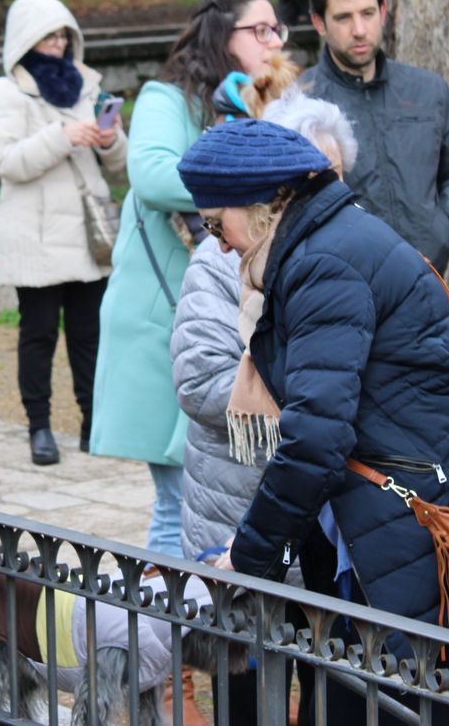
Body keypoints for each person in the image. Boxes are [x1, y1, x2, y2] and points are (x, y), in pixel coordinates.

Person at [175, 120, 449, 726]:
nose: (218, 243)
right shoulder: (327, 240)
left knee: (392, 699)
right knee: (377, 694)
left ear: (267, 204)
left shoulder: (322, 264)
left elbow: (316, 436)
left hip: (401, 515)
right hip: (390, 508)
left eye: (218, 224)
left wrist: (249, 558)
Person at [88, 0, 287, 559]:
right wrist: (244, 184)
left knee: (210, 507)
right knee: (180, 501)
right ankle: (168, 641)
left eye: (278, 30)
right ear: (222, 37)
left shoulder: (266, 103)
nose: (274, 41)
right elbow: (150, 175)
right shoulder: (166, 98)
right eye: (261, 30)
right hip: (168, 320)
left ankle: (186, 637)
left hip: (232, 324)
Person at [170, 91, 350, 726]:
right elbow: (198, 378)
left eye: (331, 177)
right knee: (247, 683)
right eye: (300, 181)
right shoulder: (218, 264)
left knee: (330, 675)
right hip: (237, 508)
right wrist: (302, 406)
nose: (315, 196)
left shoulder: (343, 257)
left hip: (328, 517)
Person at [0, 0, 127, 466]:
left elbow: (121, 165)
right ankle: (38, 427)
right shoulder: (2, 94)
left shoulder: (89, 87)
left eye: (64, 34)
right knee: (37, 335)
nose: (59, 44)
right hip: (35, 237)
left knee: (90, 336)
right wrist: (62, 137)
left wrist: (110, 138)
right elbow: (7, 162)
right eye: (48, 35)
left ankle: (92, 423)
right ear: (25, 40)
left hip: (87, 234)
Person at [301, 0, 449, 273]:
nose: (359, 30)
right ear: (319, 23)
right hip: (345, 285)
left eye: (368, 14)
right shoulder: (301, 103)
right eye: (343, 18)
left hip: (428, 277)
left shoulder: (428, 91)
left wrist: (446, 228)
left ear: (383, 12)